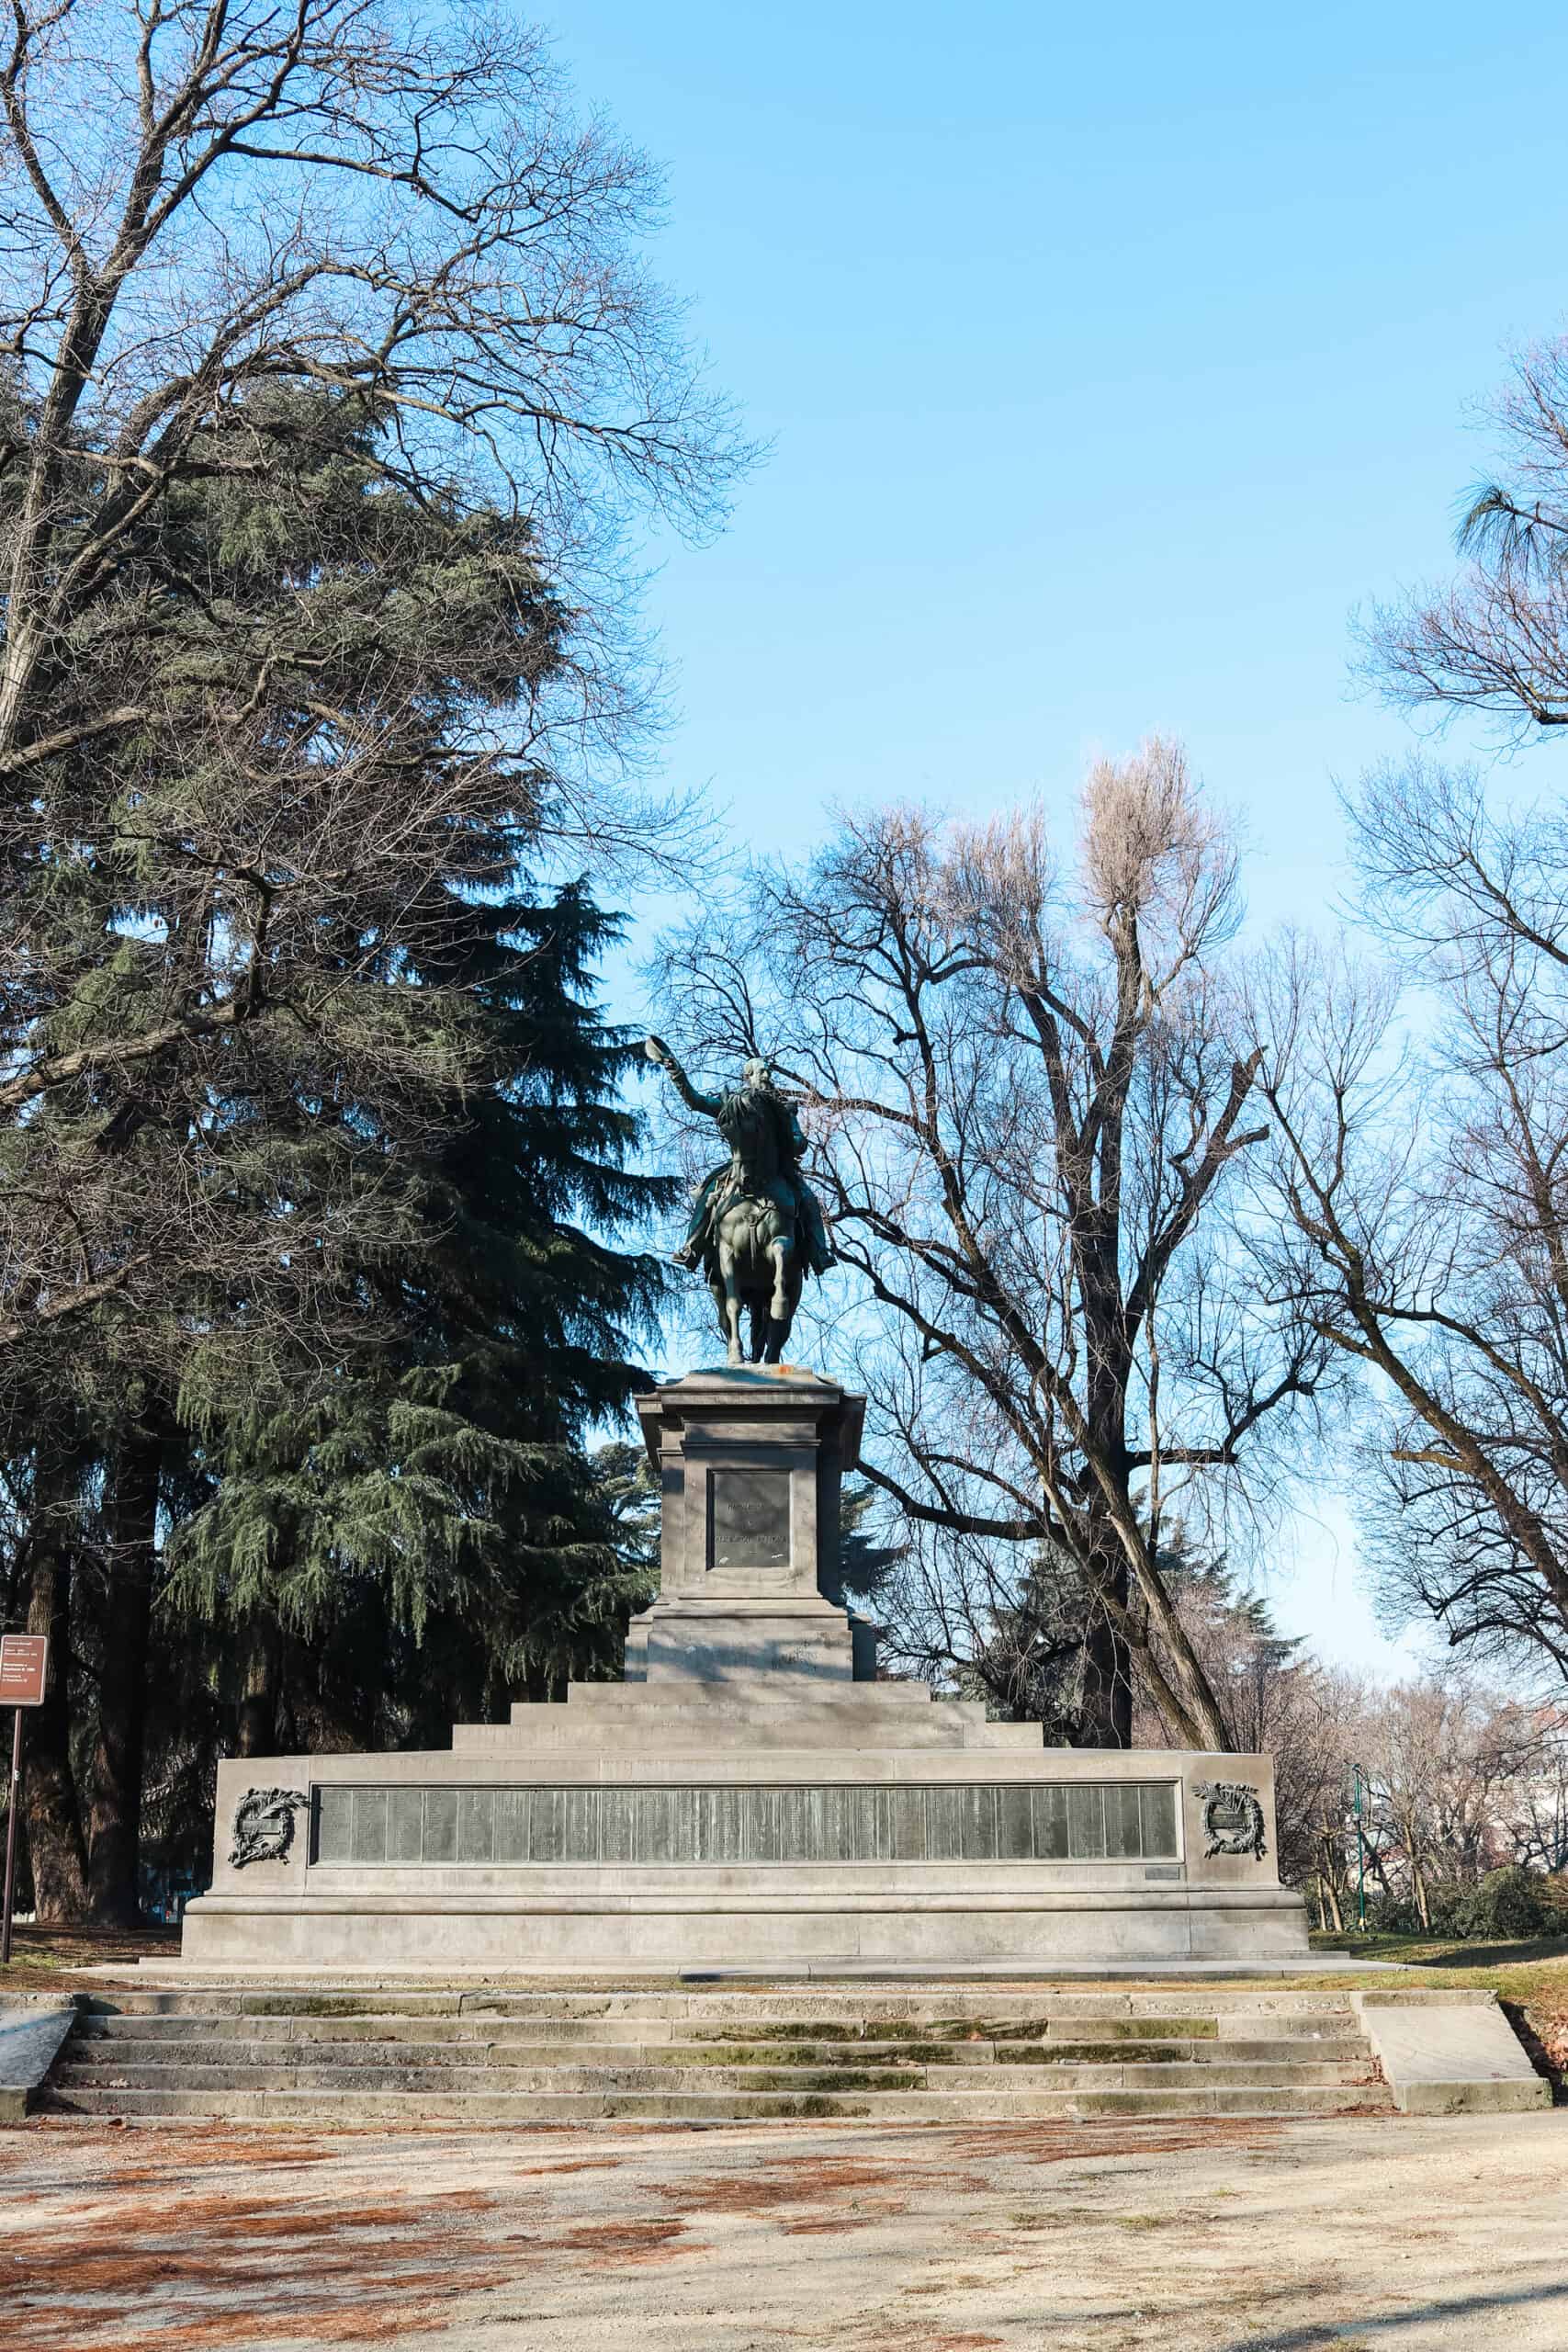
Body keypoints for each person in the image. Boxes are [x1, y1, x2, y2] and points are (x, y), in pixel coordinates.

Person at [645, 1040, 833, 1279]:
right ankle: (691, 1247)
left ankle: (820, 1252)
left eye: (768, 1071)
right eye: (761, 1071)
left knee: (808, 1200)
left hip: (778, 1170)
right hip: (740, 1165)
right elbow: (696, 1101)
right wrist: (675, 1072)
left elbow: (799, 1142)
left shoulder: (784, 1109)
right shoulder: (732, 1105)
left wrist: (790, 1140)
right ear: (749, 1076)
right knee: (708, 1194)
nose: (766, 1075)